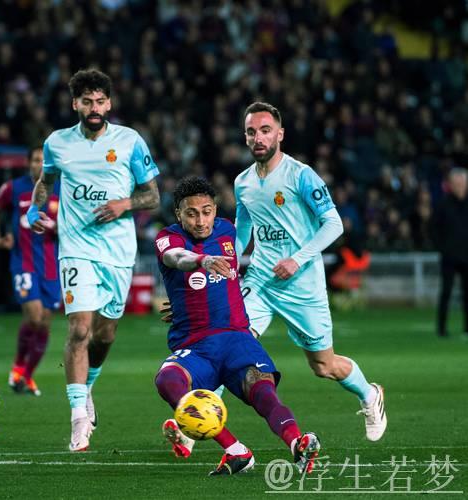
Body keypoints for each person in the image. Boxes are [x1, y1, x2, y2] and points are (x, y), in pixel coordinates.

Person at [234, 102, 386, 441]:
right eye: (251, 132)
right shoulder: (242, 182)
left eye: (265, 130)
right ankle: (198, 414)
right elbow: (242, 230)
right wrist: (227, 261)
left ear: (280, 134)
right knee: (231, 342)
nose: (258, 138)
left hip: (302, 285)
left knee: (323, 366)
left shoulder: (300, 175)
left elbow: (333, 224)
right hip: (261, 281)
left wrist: (297, 259)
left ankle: (370, 394)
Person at [27, 69, 160, 451]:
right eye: (87, 101)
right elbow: (45, 182)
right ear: (75, 104)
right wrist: (35, 210)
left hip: (118, 253)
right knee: (79, 330)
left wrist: (124, 204)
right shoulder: (57, 143)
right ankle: (77, 419)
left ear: (109, 103)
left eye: (100, 101)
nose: (94, 108)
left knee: (105, 335)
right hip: (76, 249)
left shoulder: (130, 141)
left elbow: (152, 195)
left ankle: (87, 388)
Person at [155, 176, 321, 475]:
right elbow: (175, 258)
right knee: (167, 380)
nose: (200, 221)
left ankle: (298, 443)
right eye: (191, 213)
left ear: (215, 211)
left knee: (263, 391)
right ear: (178, 214)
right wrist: (203, 261)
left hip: (237, 339)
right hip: (196, 346)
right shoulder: (168, 238)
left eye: (206, 211)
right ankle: (235, 450)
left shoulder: (228, 230)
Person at [0, 146, 60, 397]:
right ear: (29, 163)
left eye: (44, 160)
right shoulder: (14, 188)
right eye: (36, 160)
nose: (40, 164)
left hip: (52, 265)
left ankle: (26, 376)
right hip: (24, 263)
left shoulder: (61, 188)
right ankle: (18, 366)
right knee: (34, 316)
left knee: (45, 322)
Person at [433, 167, 468, 338]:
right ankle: (441, 329)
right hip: (449, 256)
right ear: (451, 185)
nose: (460, 186)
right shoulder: (443, 204)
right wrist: (443, 247)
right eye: (457, 183)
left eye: (462, 183)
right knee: (446, 292)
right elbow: (434, 229)